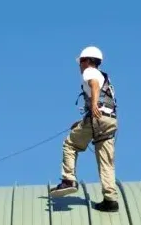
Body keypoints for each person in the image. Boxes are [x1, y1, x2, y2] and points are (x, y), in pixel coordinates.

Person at [49, 46, 120, 212]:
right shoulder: (105, 78)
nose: (79, 65)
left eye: (81, 61)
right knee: (106, 162)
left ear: (88, 61)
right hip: (109, 121)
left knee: (70, 144)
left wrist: (93, 104)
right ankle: (110, 200)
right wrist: (82, 122)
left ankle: (68, 180)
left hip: (97, 118)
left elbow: (94, 86)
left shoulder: (90, 72)